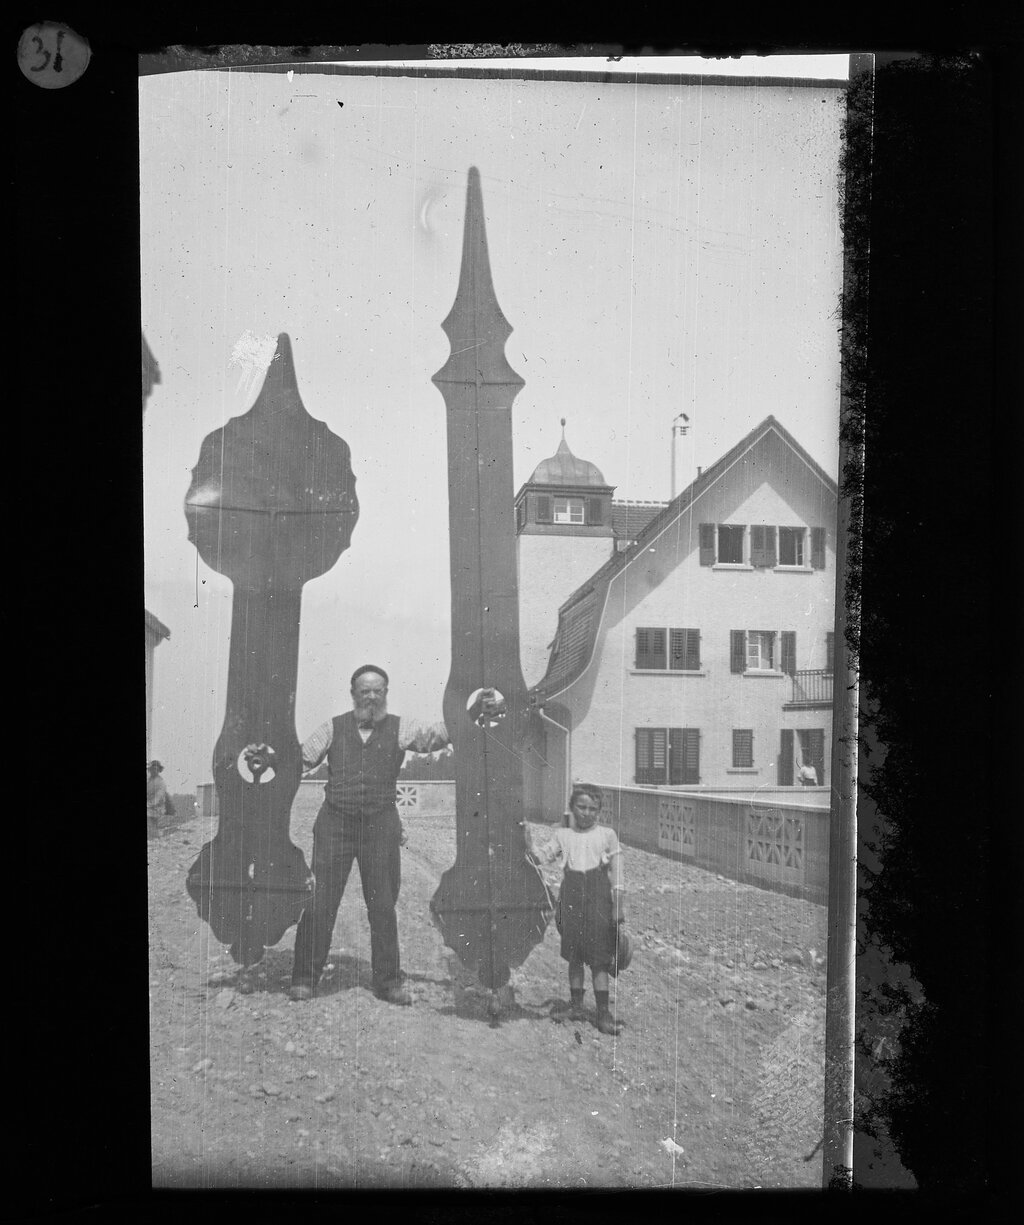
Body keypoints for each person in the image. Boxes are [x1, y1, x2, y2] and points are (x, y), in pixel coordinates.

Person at [273, 665, 503, 1006]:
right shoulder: (333, 728)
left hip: (380, 826)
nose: (371, 696)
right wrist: (272, 754)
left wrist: (470, 712)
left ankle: (388, 982)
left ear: (386, 694)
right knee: (320, 904)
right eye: (365, 690)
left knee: (382, 906)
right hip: (335, 824)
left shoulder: (400, 728)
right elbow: (301, 758)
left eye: (378, 690)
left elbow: (435, 736)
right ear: (353, 694)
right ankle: (305, 977)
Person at [526, 784, 627, 1036]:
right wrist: (526, 838)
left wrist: (618, 908)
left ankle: (603, 1013)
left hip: (599, 899)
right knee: (574, 955)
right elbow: (541, 857)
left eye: (593, 809)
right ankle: (576, 1005)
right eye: (581, 807)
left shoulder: (607, 835)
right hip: (571, 897)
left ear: (599, 812)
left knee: (599, 959)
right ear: (572, 808)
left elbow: (618, 875)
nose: (587, 813)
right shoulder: (563, 836)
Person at [147, 760, 167, 839]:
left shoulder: (160, 782)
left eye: (155, 769)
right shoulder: (149, 781)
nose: (153, 771)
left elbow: (158, 798)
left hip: (156, 809)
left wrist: (149, 804)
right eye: (151, 769)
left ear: (158, 770)